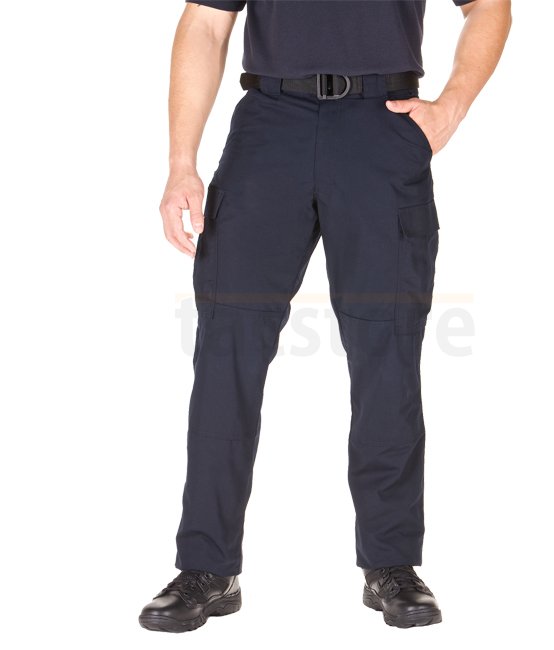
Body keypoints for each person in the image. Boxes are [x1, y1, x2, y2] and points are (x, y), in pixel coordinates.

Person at [139, 0, 512, 632]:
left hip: (383, 126)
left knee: (386, 356)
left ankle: (391, 563)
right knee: (227, 352)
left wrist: (452, 105)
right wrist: (181, 163)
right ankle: (206, 566)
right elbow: (205, 23)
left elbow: (489, 6)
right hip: (268, 127)